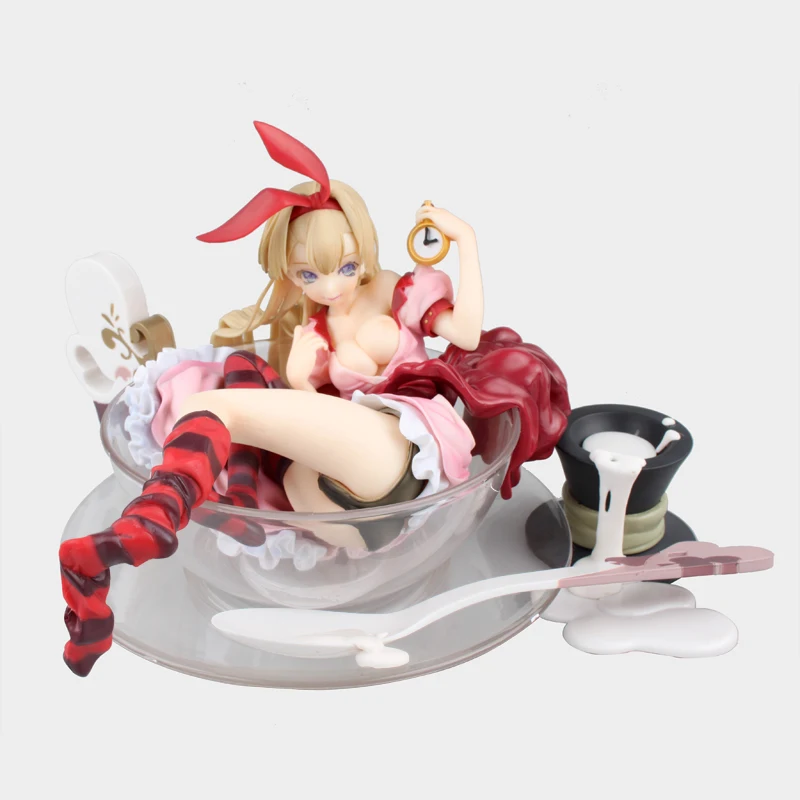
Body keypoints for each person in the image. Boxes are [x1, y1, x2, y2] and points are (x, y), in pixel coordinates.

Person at [59, 122, 571, 677]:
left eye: (345, 267)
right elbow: (318, 424)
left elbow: (466, 333)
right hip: (334, 508)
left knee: (213, 409)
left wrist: (464, 239)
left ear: (364, 251)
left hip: (400, 450)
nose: (329, 288)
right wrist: (302, 380)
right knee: (227, 394)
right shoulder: (315, 330)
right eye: (308, 274)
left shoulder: (396, 289)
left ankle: (142, 528)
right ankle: (172, 519)